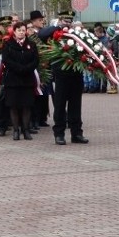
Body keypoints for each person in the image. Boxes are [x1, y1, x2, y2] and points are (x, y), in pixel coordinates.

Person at [38, 11, 89, 146]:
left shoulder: (77, 34)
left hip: (76, 73)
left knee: (75, 105)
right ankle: (59, 134)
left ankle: (77, 133)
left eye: (69, 21)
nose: (68, 23)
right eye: (65, 21)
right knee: (60, 105)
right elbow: (41, 35)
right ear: (60, 20)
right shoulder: (55, 33)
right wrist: (59, 28)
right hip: (60, 74)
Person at [1, 21, 40, 140]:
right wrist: (19, 68)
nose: (21, 32)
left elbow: (36, 60)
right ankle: (16, 130)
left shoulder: (31, 44)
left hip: (27, 79)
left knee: (26, 105)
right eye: (19, 30)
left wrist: (26, 68)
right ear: (14, 31)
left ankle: (26, 130)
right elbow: (6, 60)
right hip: (13, 79)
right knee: (13, 105)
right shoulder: (8, 44)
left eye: (23, 30)